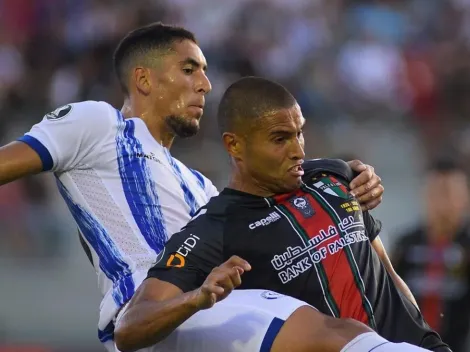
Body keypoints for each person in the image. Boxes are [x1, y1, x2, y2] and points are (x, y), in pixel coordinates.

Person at [0, 23, 384, 351]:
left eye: (203, 71)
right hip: (153, 316)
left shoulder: (200, 186)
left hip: (210, 313)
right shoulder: (99, 123)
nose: (205, 84)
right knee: (339, 335)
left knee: (341, 323)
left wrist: (345, 178)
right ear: (144, 79)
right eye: (189, 69)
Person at [116, 77, 452, 352]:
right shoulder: (213, 229)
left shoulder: (334, 176)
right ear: (234, 145)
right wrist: (197, 298)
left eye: (299, 132)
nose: (298, 150)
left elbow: (385, 272)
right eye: (280, 139)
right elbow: (130, 328)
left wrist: (423, 337)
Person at [392, 158, 470, 352]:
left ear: (465, 198)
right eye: (435, 193)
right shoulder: (406, 244)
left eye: (449, 193)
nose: (442, 202)